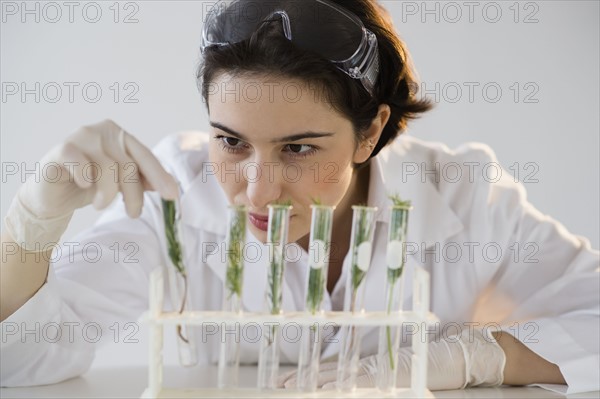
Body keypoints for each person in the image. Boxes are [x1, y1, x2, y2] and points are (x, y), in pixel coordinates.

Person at [1, 0, 598, 393]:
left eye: (299, 149)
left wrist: (475, 358)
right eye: (231, 142)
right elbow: (20, 360)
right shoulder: (175, 195)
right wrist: (27, 228)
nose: (259, 190)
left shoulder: (468, 198)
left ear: (370, 131)